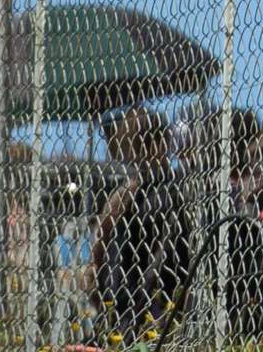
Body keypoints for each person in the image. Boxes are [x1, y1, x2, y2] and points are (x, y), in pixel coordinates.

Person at [91, 108, 191, 347]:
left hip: (153, 296)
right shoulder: (130, 193)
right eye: (139, 143)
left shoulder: (170, 191)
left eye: (149, 141)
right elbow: (101, 243)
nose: (144, 152)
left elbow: (100, 245)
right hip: (132, 297)